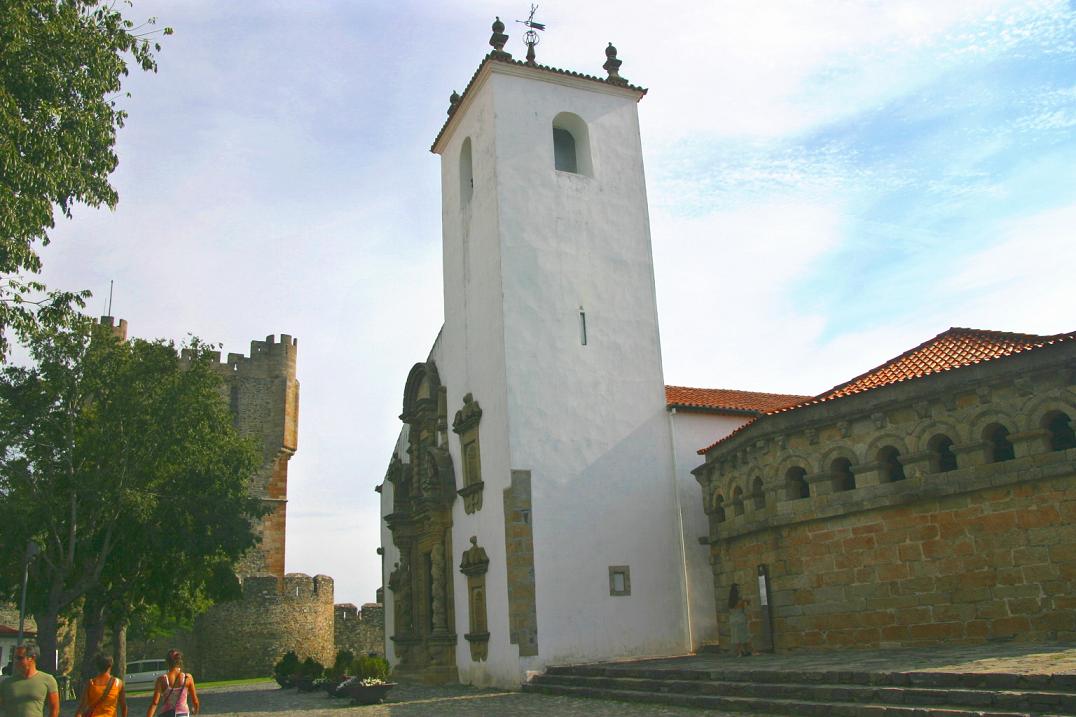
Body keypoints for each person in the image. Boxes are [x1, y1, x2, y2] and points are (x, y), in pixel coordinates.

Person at [0, 643, 59, 717]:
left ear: (32, 658)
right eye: (15, 658)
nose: (16, 661)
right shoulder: (6, 683)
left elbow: (54, 709)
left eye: (20, 658)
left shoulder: (48, 680)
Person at [145, 651, 197, 717]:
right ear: (180, 660)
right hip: (183, 713)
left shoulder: (161, 680)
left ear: (167, 662)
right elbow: (195, 701)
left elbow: (155, 703)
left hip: (167, 713)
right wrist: (195, 710)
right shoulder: (188, 677)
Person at [728, 582, 752, 657]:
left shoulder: (730, 600)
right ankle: (741, 652)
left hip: (733, 619)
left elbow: (730, 609)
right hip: (740, 618)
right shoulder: (740, 600)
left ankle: (741, 651)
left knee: (736, 636)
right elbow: (744, 608)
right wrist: (746, 602)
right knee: (742, 636)